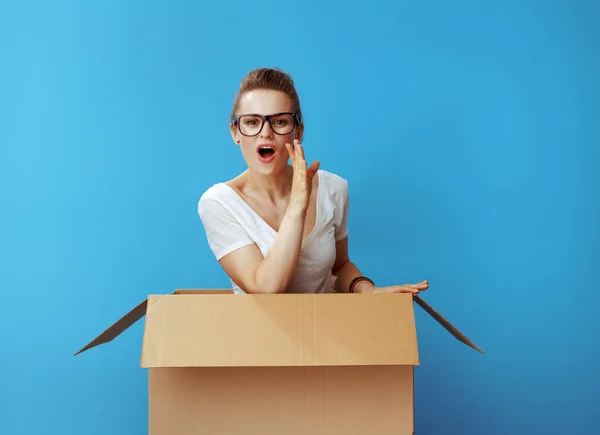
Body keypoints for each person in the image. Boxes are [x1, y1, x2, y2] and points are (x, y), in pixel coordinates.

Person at [198, 67, 429, 295]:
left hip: (325, 328)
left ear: (297, 132)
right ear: (235, 132)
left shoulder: (333, 188)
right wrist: (298, 206)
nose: (265, 133)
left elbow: (338, 267)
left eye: (279, 122)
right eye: (251, 122)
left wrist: (367, 290)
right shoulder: (219, 203)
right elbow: (265, 288)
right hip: (259, 332)